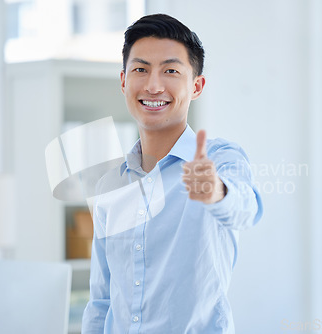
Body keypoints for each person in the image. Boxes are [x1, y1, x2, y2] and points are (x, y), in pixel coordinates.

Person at [81, 13, 262, 334]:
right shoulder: (111, 184)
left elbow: (245, 209)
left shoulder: (219, 160)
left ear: (196, 86)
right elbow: (102, 301)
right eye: (140, 69)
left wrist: (216, 191)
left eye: (170, 71)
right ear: (123, 81)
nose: (153, 85)